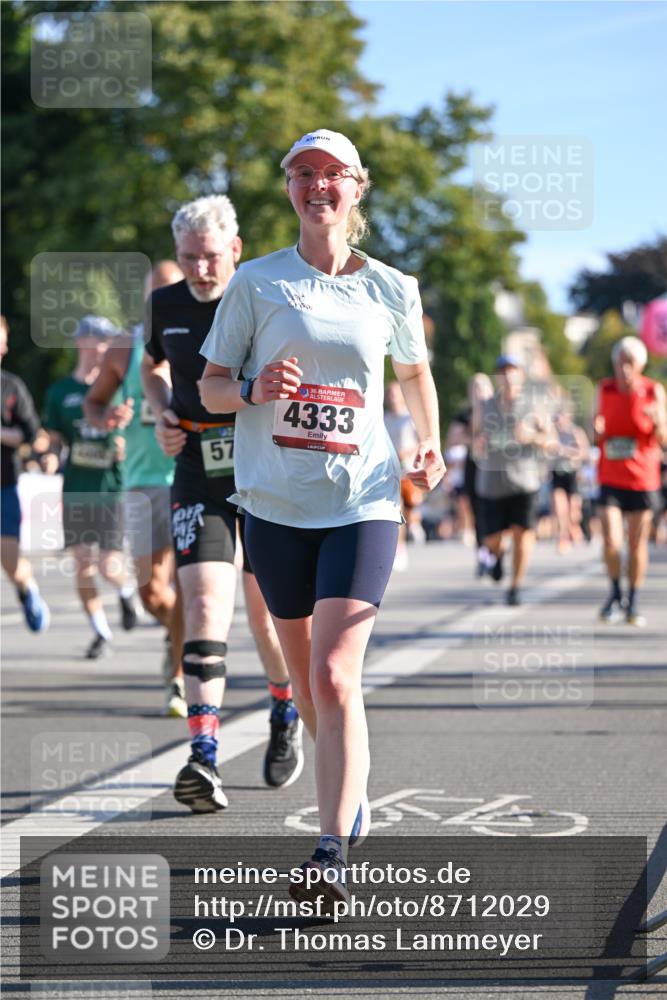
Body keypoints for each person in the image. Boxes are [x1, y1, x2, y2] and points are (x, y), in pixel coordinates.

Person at [199, 128, 445, 907]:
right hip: (275, 504)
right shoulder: (256, 284)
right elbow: (206, 389)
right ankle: (351, 789)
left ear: (356, 188)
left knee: (337, 675)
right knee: (310, 682)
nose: (317, 187)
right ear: (288, 190)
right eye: (303, 174)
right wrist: (252, 391)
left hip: (363, 501)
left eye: (331, 175)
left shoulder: (391, 288)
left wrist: (428, 444)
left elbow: (413, 374)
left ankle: (329, 846)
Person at [141, 196, 302, 811]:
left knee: (265, 617)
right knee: (206, 599)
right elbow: (152, 367)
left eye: (210, 257)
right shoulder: (165, 303)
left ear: (235, 250)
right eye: (188, 259)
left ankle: (284, 709)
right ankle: (202, 756)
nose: (200, 270)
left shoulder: (266, 296)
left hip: (264, 471)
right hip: (197, 468)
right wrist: (161, 413)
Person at [84, 261, 187, 717]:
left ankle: (180, 676)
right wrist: (104, 420)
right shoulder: (126, 348)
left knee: (194, 584)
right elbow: (93, 402)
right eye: (156, 292)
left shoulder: (207, 332)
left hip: (192, 475)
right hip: (144, 481)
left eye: (172, 289)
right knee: (151, 595)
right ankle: (178, 631)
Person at [43, 316, 139, 658]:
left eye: (109, 340)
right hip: (77, 489)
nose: (105, 347)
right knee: (83, 565)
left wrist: (126, 445)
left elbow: (139, 431)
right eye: (99, 339)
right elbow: (54, 440)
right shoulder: (61, 392)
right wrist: (50, 458)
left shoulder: (121, 387)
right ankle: (101, 632)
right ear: (81, 342)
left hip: (112, 488)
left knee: (108, 565)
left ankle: (126, 591)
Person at [594, 336, 666, 626]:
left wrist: (659, 421)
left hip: (642, 480)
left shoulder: (653, 391)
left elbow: (664, 440)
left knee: (636, 544)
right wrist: (596, 430)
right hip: (610, 476)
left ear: (640, 365)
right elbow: (595, 430)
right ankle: (615, 591)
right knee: (611, 538)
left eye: (630, 363)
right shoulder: (605, 389)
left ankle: (633, 600)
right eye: (620, 363)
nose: (624, 369)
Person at [473, 354, 554, 606]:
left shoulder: (534, 405)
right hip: (492, 483)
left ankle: (515, 587)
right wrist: (477, 441)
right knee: (492, 539)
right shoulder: (486, 406)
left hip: (525, 481)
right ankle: (497, 555)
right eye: (503, 370)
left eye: (512, 370)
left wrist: (531, 435)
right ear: (498, 375)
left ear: (520, 374)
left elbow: (551, 441)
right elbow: (473, 436)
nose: (508, 375)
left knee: (524, 534)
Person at [1, 315, 50, 631]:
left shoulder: (11, 387)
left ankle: (26, 588)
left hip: (3, 486)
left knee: (11, 563)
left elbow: (32, 435)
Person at [383, 381, 424, 570]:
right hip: (390, 471)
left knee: (410, 510)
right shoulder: (384, 418)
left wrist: (408, 452)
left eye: (394, 392)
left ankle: (415, 524)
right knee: (396, 510)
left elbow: (422, 441)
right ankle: (400, 548)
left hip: (410, 470)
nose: (392, 396)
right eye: (389, 393)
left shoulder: (410, 418)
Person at [550, 401, 589, 552]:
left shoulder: (575, 432)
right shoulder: (552, 432)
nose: (558, 420)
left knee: (573, 511)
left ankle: (574, 527)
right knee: (560, 507)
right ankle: (563, 537)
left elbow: (583, 453)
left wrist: (565, 452)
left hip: (572, 473)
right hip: (557, 473)